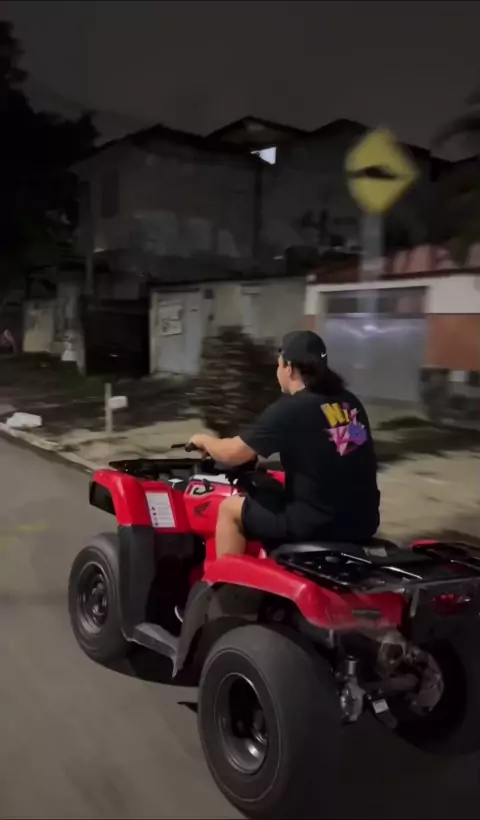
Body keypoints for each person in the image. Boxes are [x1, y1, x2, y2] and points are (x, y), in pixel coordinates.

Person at [188, 329, 380, 559]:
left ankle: (224, 581)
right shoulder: (349, 401)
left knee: (229, 509)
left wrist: (204, 440)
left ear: (289, 367)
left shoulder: (291, 409)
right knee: (273, 488)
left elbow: (232, 454)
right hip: (362, 521)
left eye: (279, 364)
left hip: (318, 524)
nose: (277, 370)